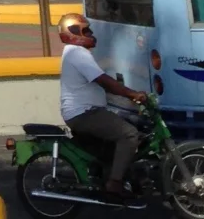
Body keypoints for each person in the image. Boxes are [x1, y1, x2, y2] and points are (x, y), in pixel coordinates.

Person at [57, 12, 148, 202]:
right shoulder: (77, 53)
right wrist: (133, 94)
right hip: (85, 113)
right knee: (129, 134)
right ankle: (114, 184)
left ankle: (110, 178)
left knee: (110, 147)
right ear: (73, 33)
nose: (90, 34)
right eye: (85, 30)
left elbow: (102, 80)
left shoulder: (75, 53)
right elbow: (104, 81)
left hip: (83, 111)